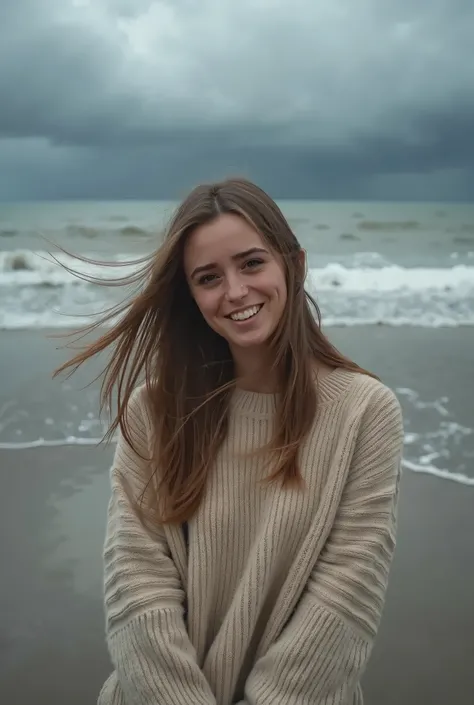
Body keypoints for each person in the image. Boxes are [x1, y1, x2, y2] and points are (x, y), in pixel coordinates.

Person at [54, 177, 404, 705]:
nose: (236, 291)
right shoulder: (154, 411)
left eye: (252, 263)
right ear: (190, 295)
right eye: (208, 277)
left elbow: (345, 598)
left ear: (295, 263)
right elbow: (137, 584)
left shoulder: (365, 411)